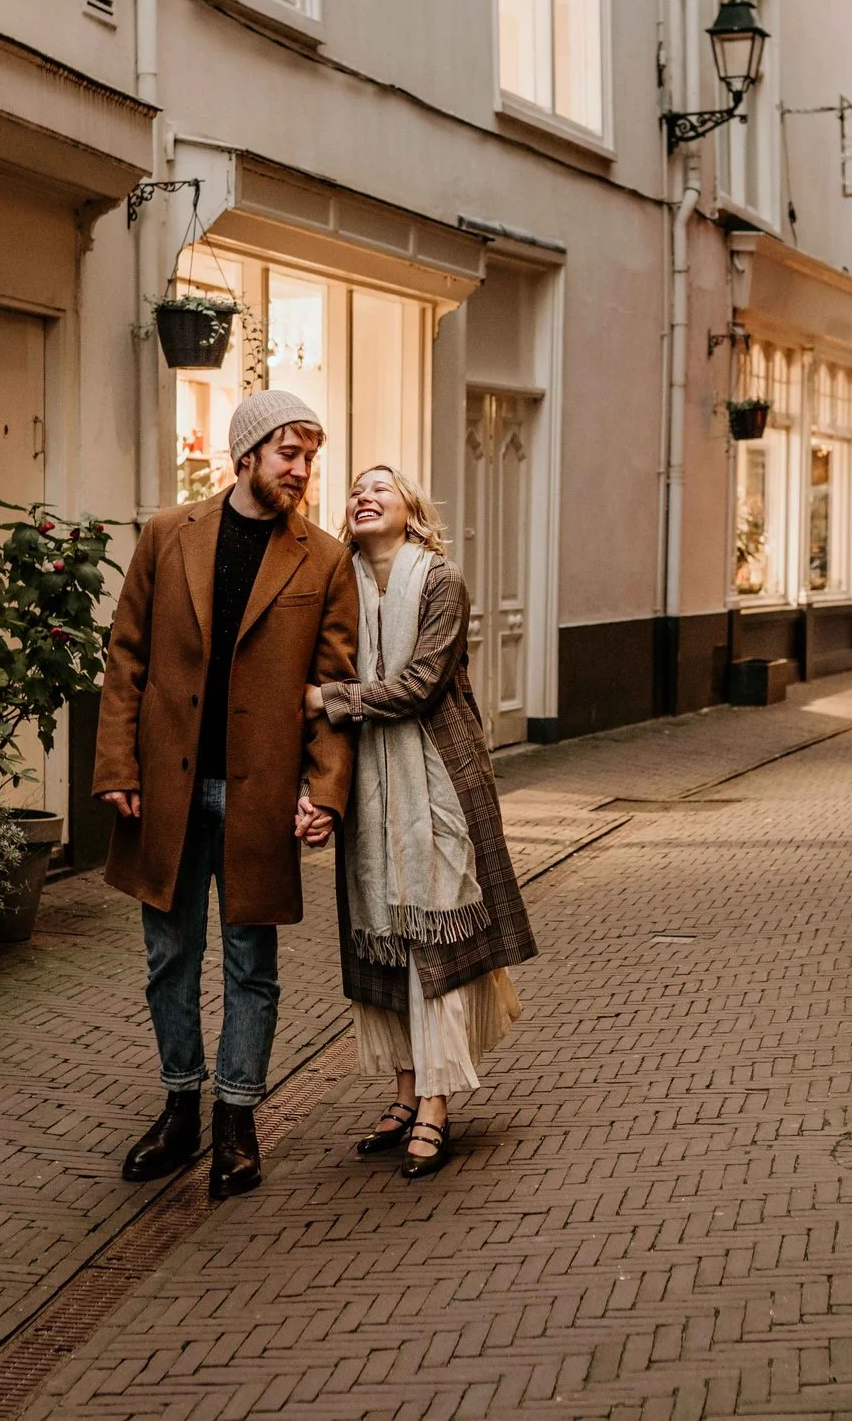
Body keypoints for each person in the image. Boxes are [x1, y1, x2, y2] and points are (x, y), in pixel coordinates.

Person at [92, 391, 359, 1199]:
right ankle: (180, 1105)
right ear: (246, 455)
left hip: (260, 796)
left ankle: (236, 1118)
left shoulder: (325, 560)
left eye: (310, 456)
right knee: (169, 956)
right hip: (167, 792)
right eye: (289, 452)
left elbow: (335, 685)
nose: (302, 470)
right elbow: (127, 655)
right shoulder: (167, 533)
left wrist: (326, 791)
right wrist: (117, 767)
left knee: (252, 964)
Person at [307, 466, 535, 1178]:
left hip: (438, 779)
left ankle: (436, 1100)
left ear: (411, 510)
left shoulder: (441, 580)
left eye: (382, 486)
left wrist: (331, 699)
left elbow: (421, 684)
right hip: (368, 788)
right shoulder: (337, 583)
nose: (364, 495)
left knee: (434, 928)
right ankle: (405, 1090)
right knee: (384, 931)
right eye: (356, 488)